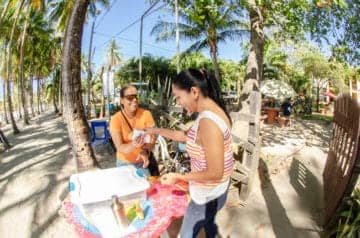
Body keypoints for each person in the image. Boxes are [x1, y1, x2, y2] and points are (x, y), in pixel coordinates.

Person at [146, 69, 234, 237]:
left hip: (207, 197)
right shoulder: (214, 113)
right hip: (218, 191)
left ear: (194, 92)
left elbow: (215, 173)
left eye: (179, 97)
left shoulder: (209, 123)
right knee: (208, 226)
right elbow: (186, 136)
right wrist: (154, 130)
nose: (179, 103)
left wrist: (179, 177)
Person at [109, 85, 156, 177]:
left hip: (143, 163)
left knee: (147, 189)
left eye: (136, 97)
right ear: (122, 100)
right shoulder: (116, 119)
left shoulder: (146, 114)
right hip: (124, 163)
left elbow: (152, 140)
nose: (134, 100)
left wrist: (145, 151)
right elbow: (120, 147)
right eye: (130, 97)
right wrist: (134, 144)